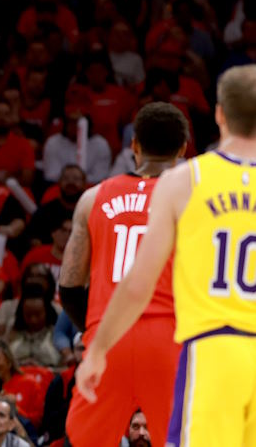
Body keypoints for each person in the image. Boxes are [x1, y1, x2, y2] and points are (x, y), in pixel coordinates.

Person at [77, 66, 256, 445]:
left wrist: (98, 347)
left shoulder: (185, 181)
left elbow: (135, 283)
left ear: (220, 114)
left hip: (204, 345)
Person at [62, 102, 190, 446]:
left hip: (108, 337)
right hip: (168, 337)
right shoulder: (194, 200)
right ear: (182, 149)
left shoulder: (92, 198)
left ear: (134, 145)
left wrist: (95, 331)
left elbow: (69, 287)